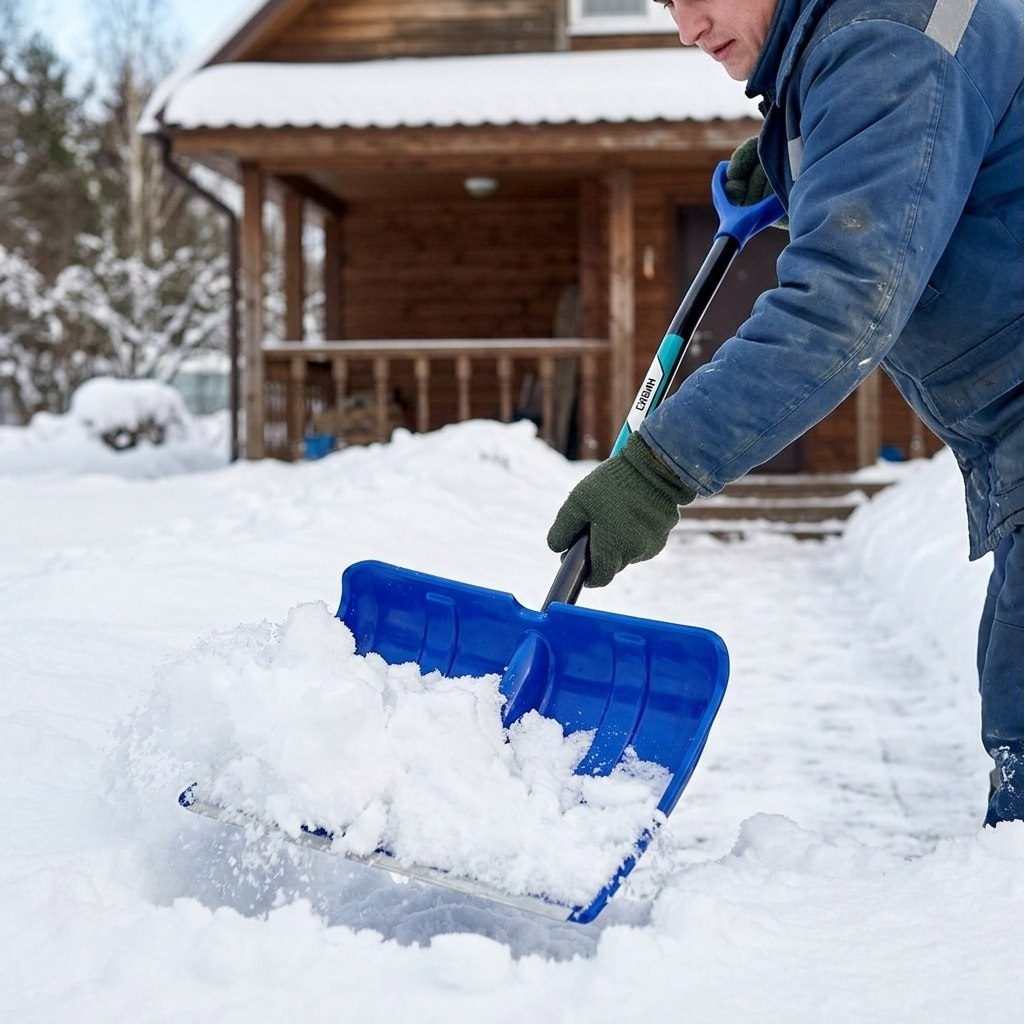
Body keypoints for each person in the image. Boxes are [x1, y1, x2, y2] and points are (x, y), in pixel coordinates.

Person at [546, 0, 1023, 826]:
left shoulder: (884, 50)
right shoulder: (860, 45)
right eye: (664, 3)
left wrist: (658, 469)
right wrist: (804, 154)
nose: (686, 26)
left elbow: (839, 304)